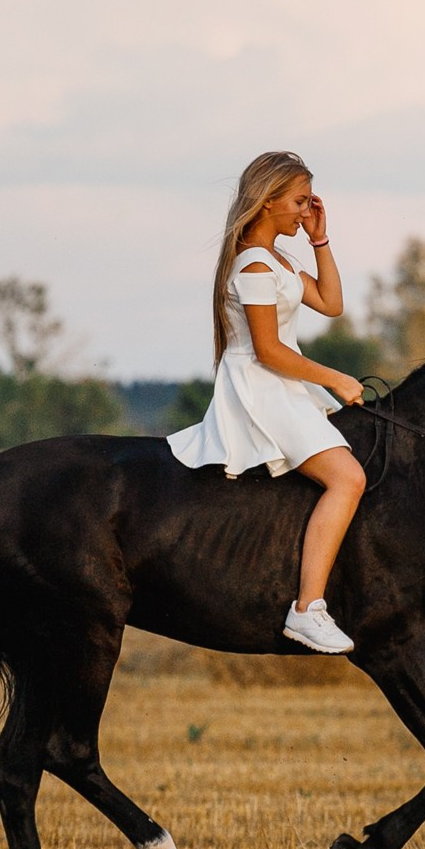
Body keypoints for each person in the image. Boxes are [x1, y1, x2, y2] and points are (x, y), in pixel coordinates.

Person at [167, 151, 369, 654]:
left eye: (308, 202)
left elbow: (331, 302)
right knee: (348, 478)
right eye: (299, 202)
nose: (304, 210)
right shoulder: (254, 264)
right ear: (267, 202)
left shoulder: (278, 260)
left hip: (282, 381)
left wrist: (320, 238)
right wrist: (336, 378)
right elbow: (268, 349)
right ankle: (307, 609)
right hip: (262, 384)